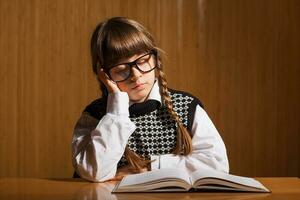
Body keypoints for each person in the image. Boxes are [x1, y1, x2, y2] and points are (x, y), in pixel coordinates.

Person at [71, 17, 229, 182]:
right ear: (104, 75)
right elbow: (94, 172)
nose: (136, 75)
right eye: (121, 70)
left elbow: (218, 164)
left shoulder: (186, 106)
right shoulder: (95, 115)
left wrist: (149, 168)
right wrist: (117, 111)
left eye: (142, 61)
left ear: (155, 58)